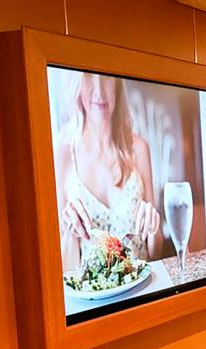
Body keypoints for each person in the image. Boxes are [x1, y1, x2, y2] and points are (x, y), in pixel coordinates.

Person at [54, 72, 162, 271]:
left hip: (142, 292)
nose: (99, 90)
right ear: (76, 82)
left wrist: (154, 229)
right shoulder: (63, 151)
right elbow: (65, 271)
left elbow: (155, 254)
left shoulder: (139, 148)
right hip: (93, 299)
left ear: (118, 83)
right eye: (87, 75)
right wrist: (69, 232)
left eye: (105, 77)